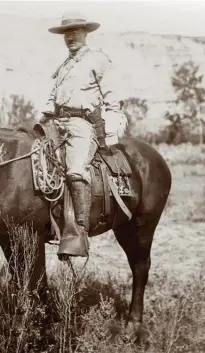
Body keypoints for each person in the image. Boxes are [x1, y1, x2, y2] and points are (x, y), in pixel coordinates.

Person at [38, 11, 128, 259]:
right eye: (67, 33)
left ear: (86, 33)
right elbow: (54, 96)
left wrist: (110, 129)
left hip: (82, 124)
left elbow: (113, 98)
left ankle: (78, 233)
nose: (70, 37)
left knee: (76, 170)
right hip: (58, 121)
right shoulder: (65, 65)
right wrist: (46, 113)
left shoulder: (98, 60)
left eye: (75, 32)